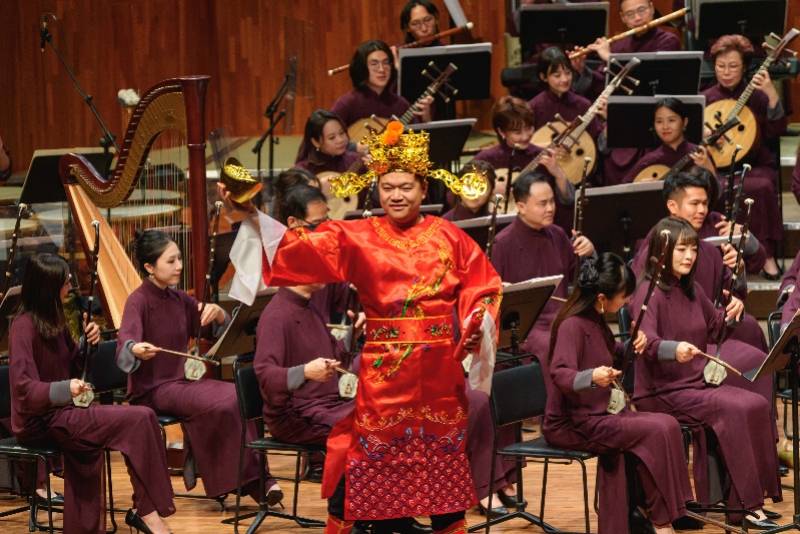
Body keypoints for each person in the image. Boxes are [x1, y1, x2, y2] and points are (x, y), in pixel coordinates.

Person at [224, 121, 502, 534]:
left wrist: (476, 320)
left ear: (423, 188)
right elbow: (299, 249)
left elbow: (484, 286)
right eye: (387, 187)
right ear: (377, 188)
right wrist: (250, 211)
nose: (396, 195)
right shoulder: (359, 237)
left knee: (442, 469)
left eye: (405, 186)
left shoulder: (449, 236)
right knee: (375, 464)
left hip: (440, 374)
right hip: (386, 375)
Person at [115, 230, 282, 508]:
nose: (179, 266)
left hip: (181, 384)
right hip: (154, 389)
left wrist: (218, 313)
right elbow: (126, 343)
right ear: (149, 267)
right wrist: (135, 349)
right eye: (171, 261)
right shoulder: (138, 300)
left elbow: (213, 328)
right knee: (228, 400)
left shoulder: (179, 299)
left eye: (179, 259)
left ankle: (253, 478)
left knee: (241, 394)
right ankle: (256, 482)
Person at [632, 217, 781, 528]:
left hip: (694, 386)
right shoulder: (648, 293)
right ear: (661, 252)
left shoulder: (692, 290)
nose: (690, 256)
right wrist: (675, 349)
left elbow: (716, 329)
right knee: (736, 407)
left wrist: (732, 313)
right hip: (662, 391)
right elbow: (647, 344)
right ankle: (748, 506)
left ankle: (744, 502)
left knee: (756, 403)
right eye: (681, 250)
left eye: (692, 249)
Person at [10, 253, 175, 533]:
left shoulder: (54, 318)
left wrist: (89, 345)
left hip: (65, 413)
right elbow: (23, 388)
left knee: (143, 417)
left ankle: (145, 509)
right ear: (48, 287)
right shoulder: (22, 327)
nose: (70, 285)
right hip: (40, 421)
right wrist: (65, 388)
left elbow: (75, 364)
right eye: (65, 281)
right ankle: (147, 513)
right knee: (139, 418)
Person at [544, 253, 692, 533]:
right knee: (655, 430)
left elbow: (611, 357)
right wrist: (592, 377)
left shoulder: (595, 319)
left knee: (667, 424)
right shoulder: (571, 325)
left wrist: (631, 348)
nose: (627, 302)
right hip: (572, 423)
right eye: (624, 297)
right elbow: (560, 373)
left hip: (597, 414)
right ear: (602, 297)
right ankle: (662, 522)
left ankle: (663, 513)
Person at [703, 34, 786, 279]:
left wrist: (771, 93)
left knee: (759, 187)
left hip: (755, 163)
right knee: (712, 185)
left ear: (745, 67)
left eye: (733, 66)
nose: (726, 72)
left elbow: (777, 130)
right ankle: (718, 257)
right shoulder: (705, 98)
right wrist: (705, 134)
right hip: (716, 165)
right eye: (721, 66)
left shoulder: (758, 95)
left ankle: (766, 255)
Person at [491, 171, 595, 364]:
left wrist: (589, 253)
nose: (550, 208)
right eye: (542, 203)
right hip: (525, 328)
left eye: (552, 201)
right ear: (521, 207)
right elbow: (491, 299)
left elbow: (582, 277)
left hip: (562, 318)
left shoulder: (558, 234)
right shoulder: (502, 244)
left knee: (592, 332)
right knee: (551, 343)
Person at [473, 96, 573, 232]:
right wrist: (488, 189)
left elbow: (568, 200)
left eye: (529, 128)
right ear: (501, 132)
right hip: (499, 231)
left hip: (539, 230)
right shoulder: (486, 159)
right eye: (517, 132)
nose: (525, 136)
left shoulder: (542, 156)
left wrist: (558, 174)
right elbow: (456, 196)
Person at [331, 40, 432, 131]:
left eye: (386, 63)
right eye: (374, 64)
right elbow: (329, 139)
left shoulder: (401, 104)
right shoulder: (347, 103)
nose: (382, 69)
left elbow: (419, 139)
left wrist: (426, 119)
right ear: (362, 68)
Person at [625, 97, 716, 183]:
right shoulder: (649, 160)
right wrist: (639, 186)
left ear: (685, 122)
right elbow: (623, 189)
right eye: (659, 121)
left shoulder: (700, 155)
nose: (665, 127)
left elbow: (718, 192)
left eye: (671, 120)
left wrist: (709, 169)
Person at [295, 109, 363, 175]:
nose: (340, 140)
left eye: (342, 133)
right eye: (332, 137)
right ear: (316, 142)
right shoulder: (303, 171)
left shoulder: (356, 160)